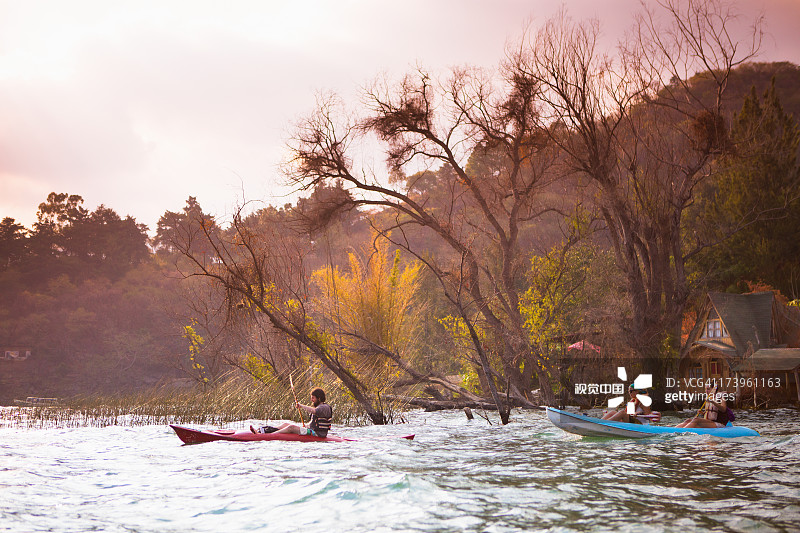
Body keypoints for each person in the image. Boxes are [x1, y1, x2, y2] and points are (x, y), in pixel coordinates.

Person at [251, 388, 333, 437]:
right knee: (285, 425)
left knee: (291, 428)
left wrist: (301, 406)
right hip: (312, 430)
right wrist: (306, 425)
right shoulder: (320, 407)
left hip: (317, 434)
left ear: (319, 398)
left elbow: (314, 411)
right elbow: (314, 422)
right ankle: (262, 430)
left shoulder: (324, 407)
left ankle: (269, 436)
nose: (311, 400)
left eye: (313, 398)